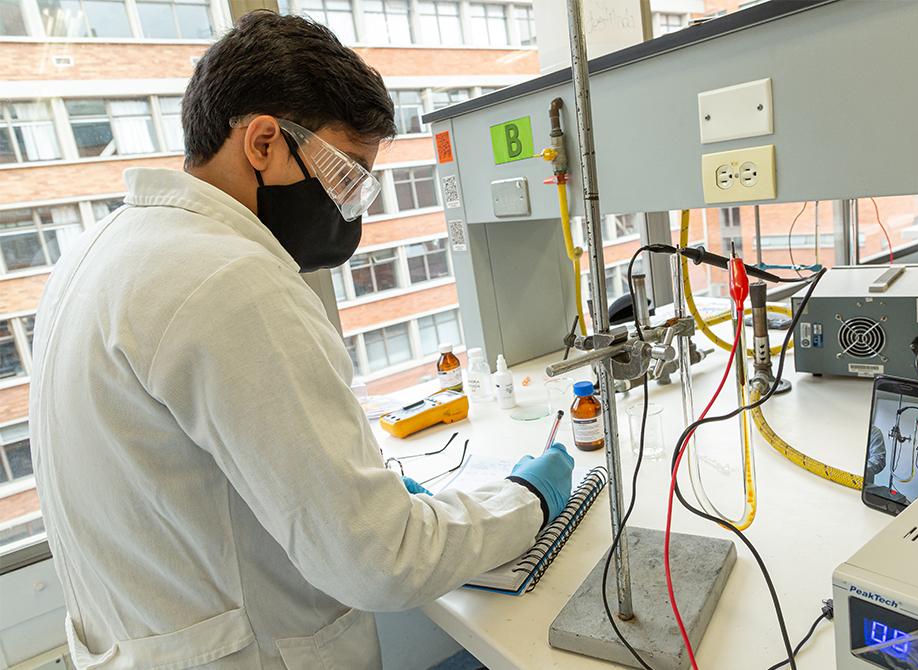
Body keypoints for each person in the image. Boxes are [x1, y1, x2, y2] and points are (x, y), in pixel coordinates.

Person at [29, 12, 573, 669]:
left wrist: (351, 489)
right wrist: (526, 501)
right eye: (346, 176)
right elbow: (382, 559)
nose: (350, 208)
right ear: (263, 142)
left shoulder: (99, 250)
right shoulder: (229, 281)